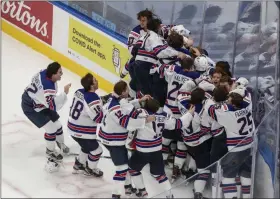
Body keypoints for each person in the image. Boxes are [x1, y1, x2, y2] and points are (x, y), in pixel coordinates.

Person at [98, 80, 155, 199]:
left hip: (107, 136)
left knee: (127, 164)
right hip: (113, 141)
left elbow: (125, 105)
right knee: (122, 168)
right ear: (123, 92)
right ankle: (116, 195)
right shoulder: (116, 108)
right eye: (127, 89)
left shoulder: (114, 98)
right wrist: (145, 120)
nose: (129, 91)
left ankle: (129, 186)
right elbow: (126, 123)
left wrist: (139, 101)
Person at [128, 98, 195, 198]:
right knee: (159, 175)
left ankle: (142, 191)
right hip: (156, 151)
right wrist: (189, 113)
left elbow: (126, 109)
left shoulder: (140, 113)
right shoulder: (162, 117)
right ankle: (170, 195)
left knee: (132, 169)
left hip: (142, 151)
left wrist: (139, 100)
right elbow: (179, 123)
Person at [21, 62, 71, 172]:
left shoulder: (44, 72)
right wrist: (65, 94)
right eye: (59, 72)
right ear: (52, 74)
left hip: (38, 102)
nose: (61, 74)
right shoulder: (47, 88)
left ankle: (61, 144)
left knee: (57, 125)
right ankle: (50, 152)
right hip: (31, 106)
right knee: (51, 128)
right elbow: (53, 106)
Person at [157, 57, 200, 181]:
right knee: (182, 143)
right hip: (183, 111)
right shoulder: (195, 75)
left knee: (165, 139)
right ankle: (176, 169)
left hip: (168, 110)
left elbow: (160, 69)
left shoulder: (172, 69)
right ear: (192, 66)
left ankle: (161, 163)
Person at [208, 87, 255, 199]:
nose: (227, 101)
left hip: (236, 149)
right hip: (249, 145)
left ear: (233, 104)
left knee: (228, 177)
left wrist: (213, 99)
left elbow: (211, 110)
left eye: (229, 100)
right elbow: (247, 92)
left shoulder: (229, 115)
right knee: (245, 173)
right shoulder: (248, 106)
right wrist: (235, 93)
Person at [132, 17, 187, 98]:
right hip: (144, 66)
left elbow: (134, 50)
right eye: (160, 26)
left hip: (139, 65)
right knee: (149, 94)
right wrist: (178, 53)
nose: (161, 28)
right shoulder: (154, 37)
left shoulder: (147, 35)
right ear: (157, 27)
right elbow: (159, 52)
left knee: (139, 88)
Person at [67, 73, 104, 177]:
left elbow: (88, 106)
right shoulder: (93, 99)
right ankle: (90, 169)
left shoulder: (78, 91)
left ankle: (79, 165)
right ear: (92, 85)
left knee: (86, 147)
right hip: (82, 132)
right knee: (97, 151)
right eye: (95, 80)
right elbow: (99, 118)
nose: (97, 81)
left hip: (72, 127)